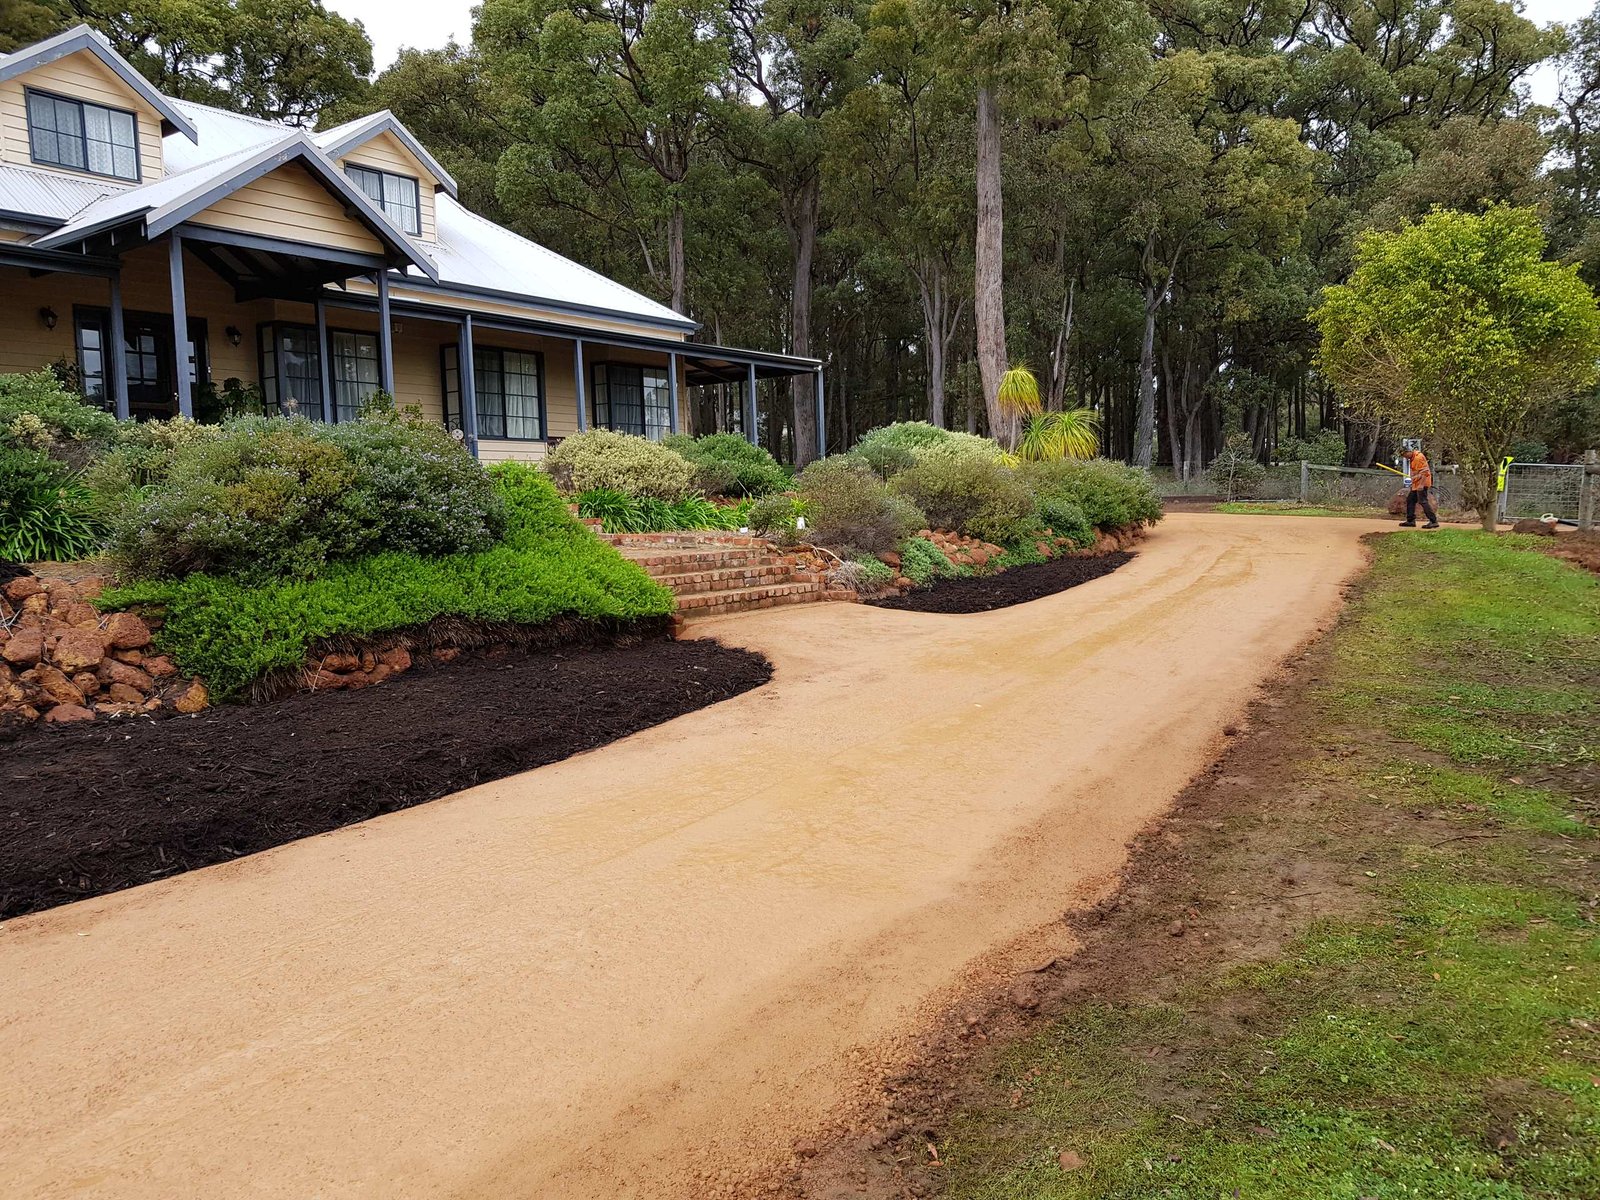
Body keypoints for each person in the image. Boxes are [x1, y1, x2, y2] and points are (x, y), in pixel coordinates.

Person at [1399, 447, 1440, 528]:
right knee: (1410, 500)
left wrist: (1421, 485)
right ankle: (1410, 520)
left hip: (1422, 483)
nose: (1405, 457)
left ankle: (1433, 521)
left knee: (1423, 501)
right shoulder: (1412, 458)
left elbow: (1425, 472)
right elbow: (1415, 471)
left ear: (1409, 452)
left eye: (1405, 455)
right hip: (1416, 484)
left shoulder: (1418, 457)